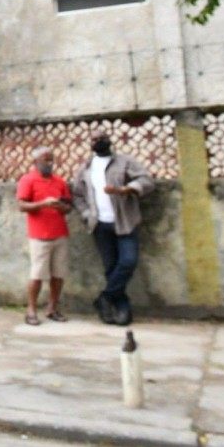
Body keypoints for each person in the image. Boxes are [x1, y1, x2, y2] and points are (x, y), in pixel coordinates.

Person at [71, 131, 155, 326]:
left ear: (109, 142)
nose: (98, 141)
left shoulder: (125, 162)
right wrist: (86, 214)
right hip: (99, 225)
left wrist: (128, 188)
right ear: (90, 144)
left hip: (125, 222)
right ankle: (122, 308)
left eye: (102, 138)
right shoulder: (85, 168)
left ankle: (104, 298)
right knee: (111, 267)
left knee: (128, 261)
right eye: (94, 139)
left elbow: (147, 181)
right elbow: (77, 195)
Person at [15, 147, 72, 326]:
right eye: (45, 160)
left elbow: (68, 207)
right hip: (39, 236)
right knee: (37, 275)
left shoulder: (60, 182)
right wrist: (43, 204)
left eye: (51, 160)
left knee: (58, 275)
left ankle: (52, 308)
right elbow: (22, 205)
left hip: (59, 234)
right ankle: (31, 310)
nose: (49, 163)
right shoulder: (27, 180)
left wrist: (59, 207)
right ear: (35, 162)